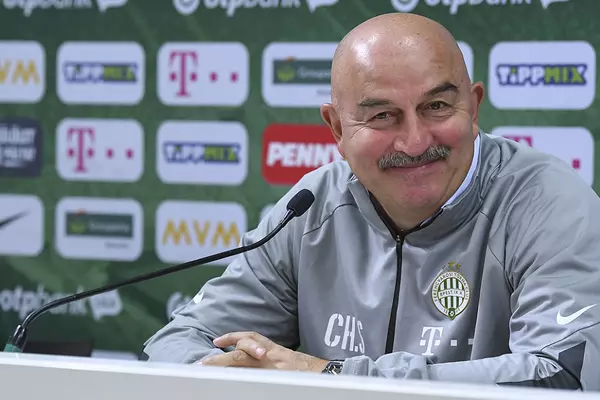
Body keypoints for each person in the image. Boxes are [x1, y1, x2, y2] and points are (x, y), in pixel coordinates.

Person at [140, 12, 600, 390]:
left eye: (436, 107)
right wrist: (232, 374)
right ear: (337, 129)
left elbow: (566, 374)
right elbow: (180, 341)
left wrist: (328, 376)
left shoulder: (547, 203)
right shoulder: (312, 207)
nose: (415, 141)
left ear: (474, 107)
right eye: (382, 115)